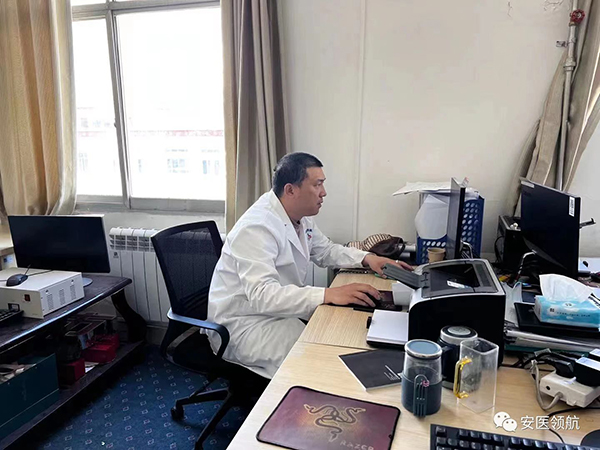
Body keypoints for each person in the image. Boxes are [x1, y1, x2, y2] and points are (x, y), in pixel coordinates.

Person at [207, 153, 412, 378]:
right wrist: (328, 294)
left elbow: (325, 250)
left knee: (333, 337)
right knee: (316, 359)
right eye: (317, 184)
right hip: (244, 325)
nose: (324, 192)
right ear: (290, 190)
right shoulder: (256, 227)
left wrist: (367, 258)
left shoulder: (300, 217)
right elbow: (262, 296)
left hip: (275, 315)